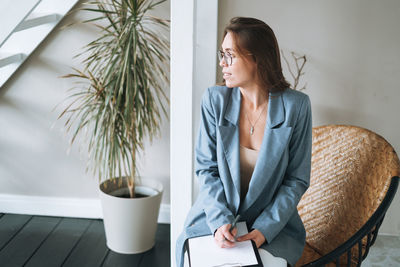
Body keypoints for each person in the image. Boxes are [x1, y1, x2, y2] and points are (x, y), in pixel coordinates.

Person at [176, 17, 312, 267]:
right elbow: (206, 169)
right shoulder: (214, 100)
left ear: (258, 58)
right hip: (215, 219)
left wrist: (264, 229)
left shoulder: (297, 106)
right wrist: (220, 222)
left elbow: (296, 180)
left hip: (273, 227)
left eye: (230, 55)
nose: (221, 63)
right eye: (222, 54)